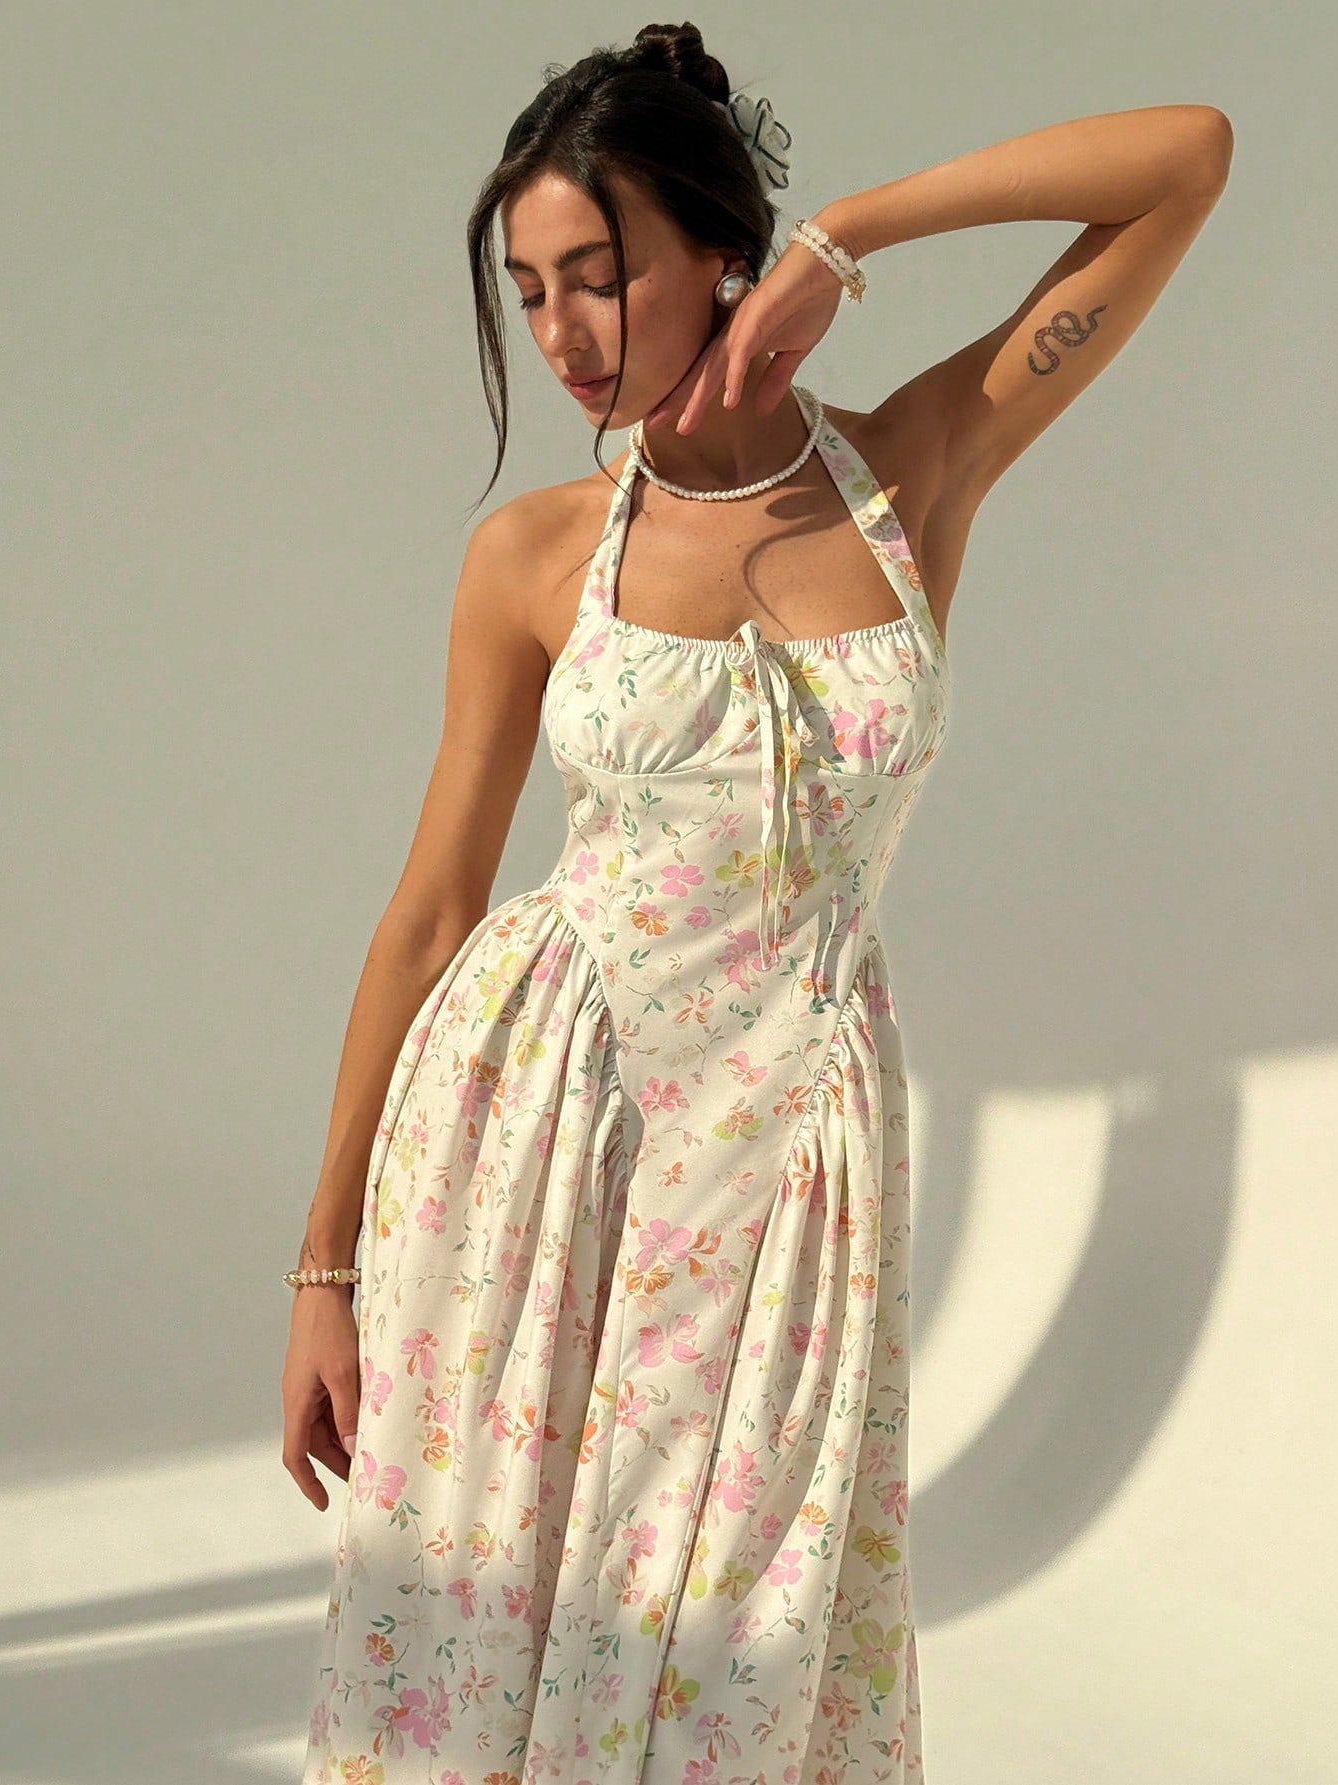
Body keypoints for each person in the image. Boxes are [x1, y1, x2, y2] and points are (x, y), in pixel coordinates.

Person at [283, 21, 1231, 1784]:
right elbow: (431, 910)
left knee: (737, 1669)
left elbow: (1188, 156)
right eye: (528, 291)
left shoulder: (913, 475)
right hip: (543, 1138)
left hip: (793, 1166)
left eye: (600, 274)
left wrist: (848, 235)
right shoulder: (532, 557)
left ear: (725, 249)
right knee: (489, 1651)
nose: (562, 332)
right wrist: (322, 1267)